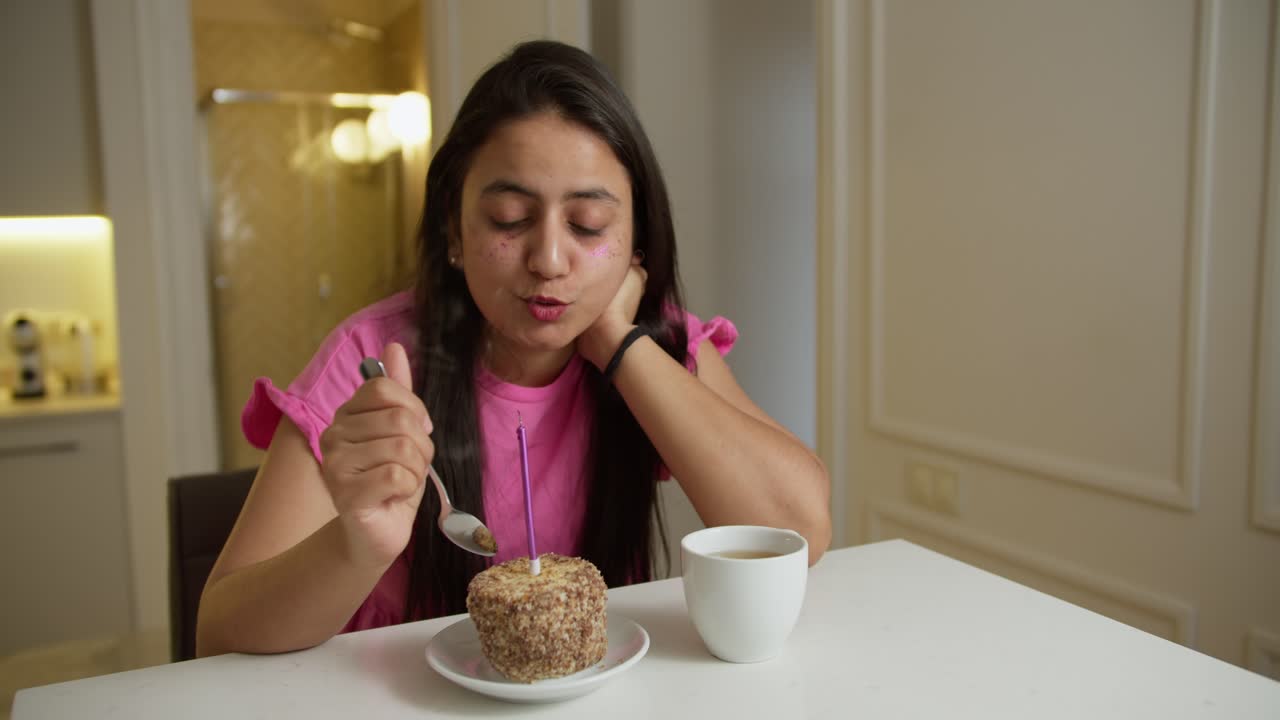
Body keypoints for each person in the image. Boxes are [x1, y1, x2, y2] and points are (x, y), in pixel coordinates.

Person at [196, 40, 830, 657]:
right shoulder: (372, 363)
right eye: (508, 218)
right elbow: (218, 635)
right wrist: (356, 543)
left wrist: (616, 341)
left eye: (587, 226)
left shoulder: (657, 341)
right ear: (454, 227)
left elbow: (802, 531)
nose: (549, 260)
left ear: (638, 238)